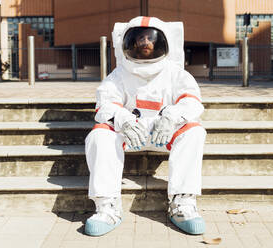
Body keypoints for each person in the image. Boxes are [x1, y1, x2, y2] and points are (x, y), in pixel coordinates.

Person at [84, 16, 206, 236]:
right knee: (99, 134)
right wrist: (124, 120)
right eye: (140, 38)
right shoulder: (119, 75)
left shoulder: (176, 73)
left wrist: (171, 116)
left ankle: (183, 203)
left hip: (165, 134)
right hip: (130, 135)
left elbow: (193, 103)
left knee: (195, 131)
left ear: (162, 42)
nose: (146, 43)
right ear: (130, 42)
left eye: (151, 38)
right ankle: (107, 206)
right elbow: (104, 105)